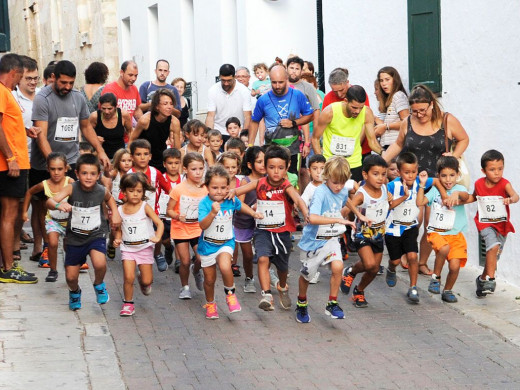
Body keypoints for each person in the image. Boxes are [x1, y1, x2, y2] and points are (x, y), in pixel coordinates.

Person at [384, 84, 470, 275]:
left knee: (431, 224)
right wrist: (381, 162)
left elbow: (464, 139)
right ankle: (410, 254)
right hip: (412, 180)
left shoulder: (446, 120)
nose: (419, 114)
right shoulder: (407, 122)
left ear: (431, 104)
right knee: (414, 219)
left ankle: (421, 262)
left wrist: (454, 156)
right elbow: (398, 144)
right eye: (415, 111)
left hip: (438, 181)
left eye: (422, 110)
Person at [229, 145, 309, 311]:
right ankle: (266, 294)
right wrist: (228, 193)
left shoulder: (286, 185)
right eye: (271, 167)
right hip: (263, 230)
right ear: (265, 167)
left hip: (282, 232)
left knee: (282, 268)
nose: (276, 172)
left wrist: (305, 211)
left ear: (287, 167)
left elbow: (298, 198)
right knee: (263, 259)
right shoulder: (259, 182)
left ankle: (282, 286)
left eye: (280, 168)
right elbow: (238, 190)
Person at [46, 153, 121, 310]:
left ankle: (99, 284)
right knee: (71, 277)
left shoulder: (101, 190)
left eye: (93, 174)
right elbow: (50, 201)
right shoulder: (71, 188)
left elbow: (110, 199)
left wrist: (115, 213)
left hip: (96, 233)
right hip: (74, 238)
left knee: (100, 263)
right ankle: (75, 292)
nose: (88, 177)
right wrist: (59, 205)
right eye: (84, 173)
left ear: (98, 175)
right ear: (77, 173)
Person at [296, 157, 356, 323]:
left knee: (338, 266)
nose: (339, 187)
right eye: (335, 182)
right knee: (307, 275)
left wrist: (358, 214)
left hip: (330, 237)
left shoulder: (342, 189)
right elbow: (313, 218)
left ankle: (332, 303)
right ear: (327, 176)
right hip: (313, 240)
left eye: (342, 183)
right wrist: (338, 220)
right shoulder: (320, 192)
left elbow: (346, 199)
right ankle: (301, 302)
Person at [198, 165, 262, 319]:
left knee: (226, 266)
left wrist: (254, 213)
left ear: (228, 187)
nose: (219, 191)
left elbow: (241, 206)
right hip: (208, 245)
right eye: (214, 187)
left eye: (223, 187)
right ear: (207, 187)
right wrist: (213, 213)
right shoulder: (205, 204)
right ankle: (211, 304)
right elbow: (202, 225)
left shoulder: (230, 199)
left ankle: (230, 295)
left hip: (226, 243)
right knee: (209, 280)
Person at [0, 53, 38, 284]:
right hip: (9, 166)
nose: (20, 81)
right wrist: (11, 157)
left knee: (9, 214)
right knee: (9, 215)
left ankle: (7, 264)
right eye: (21, 77)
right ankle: (8, 267)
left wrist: (25, 132)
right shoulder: (2, 91)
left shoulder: (6, 93)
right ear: (13, 72)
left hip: (14, 162)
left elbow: (8, 126)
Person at [340, 155, 394, 308]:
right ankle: (351, 271)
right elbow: (346, 207)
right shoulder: (362, 194)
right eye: (375, 174)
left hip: (378, 234)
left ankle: (358, 289)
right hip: (362, 234)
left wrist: (390, 200)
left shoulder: (384, 188)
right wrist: (337, 221)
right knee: (369, 264)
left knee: (374, 268)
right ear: (365, 175)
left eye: (383, 174)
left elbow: (386, 205)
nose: (380, 178)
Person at [463, 150, 518, 297]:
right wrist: (459, 200)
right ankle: (490, 280)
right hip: (485, 223)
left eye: (500, 169)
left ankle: (482, 279)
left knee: (493, 255)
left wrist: (510, 199)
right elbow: (474, 197)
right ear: (483, 171)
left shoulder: (505, 184)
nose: (497, 173)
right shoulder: (479, 184)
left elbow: (515, 195)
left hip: (502, 226)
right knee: (492, 247)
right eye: (492, 169)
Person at [416, 156, 469, 303]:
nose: (448, 180)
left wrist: (456, 194)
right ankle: (436, 278)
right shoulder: (434, 191)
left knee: (455, 265)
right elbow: (420, 202)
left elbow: (466, 196)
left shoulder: (460, 189)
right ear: (438, 176)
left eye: (452, 175)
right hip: (436, 232)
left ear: (458, 175)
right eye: (444, 176)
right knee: (444, 249)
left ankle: (447, 290)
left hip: (456, 235)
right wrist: (421, 185)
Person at [384, 152, 433, 303]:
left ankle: (413, 287)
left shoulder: (421, 181)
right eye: (406, 172)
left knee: (412, 256)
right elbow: (389, 204)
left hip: (410, 226)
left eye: (413, 172)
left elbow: (438, 182)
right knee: (396, 260)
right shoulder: (392, 186)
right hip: (393, 228)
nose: (411, 176)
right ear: (399, 172)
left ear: (417, 170)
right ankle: (391, 269)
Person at [113, 172, 164, 316]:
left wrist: (157, 236)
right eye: (131, 191)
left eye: (139, 191)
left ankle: (143, 281)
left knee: (148, 280)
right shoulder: (120, 210)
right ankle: (128, 303)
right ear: (123, 192)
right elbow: (118, 229)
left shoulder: (144, 206)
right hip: (127, 248)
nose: (135, 194)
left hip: (145, 247)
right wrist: (117, 239)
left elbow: (159, 223)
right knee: (128, 277)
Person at [248, 65, 314, 175]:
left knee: (293, 180)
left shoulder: (297, 95)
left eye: (281, 82)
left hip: (292, 149)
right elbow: (254, 121)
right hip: (271, 150)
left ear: (286, 79)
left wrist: (293, 123)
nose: (277, 86)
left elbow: (310, 115)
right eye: (274, 82)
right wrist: (250, 145)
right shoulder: (263, 99)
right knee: (272, 180)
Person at [22, 153, 75, 281]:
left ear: (66, 168)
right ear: (47, 169)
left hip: (70, 221)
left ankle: (71, 267)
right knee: (52, 243)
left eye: (60, 169)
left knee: (69, 246)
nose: (56, 172)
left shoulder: (71, 182)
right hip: (52, 220)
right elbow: (29, 192)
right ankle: (53, 269)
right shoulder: (44, 184)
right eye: (52, 169)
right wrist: (24, 211)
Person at [313, 85, 383, 182]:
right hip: (332, 163)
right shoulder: (329, 112)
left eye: (360, 108)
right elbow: (315, 138)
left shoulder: (367, 113)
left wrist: (383, 153)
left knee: (354, 195)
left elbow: (372, 141)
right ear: (346, 101)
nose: (357, 111)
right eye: (354, 107)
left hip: (354, 163)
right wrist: (322, 163)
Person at [12, 56, 43, 263]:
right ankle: (14, 243)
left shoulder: (42, 96)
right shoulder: (13, 98)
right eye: (29, 79)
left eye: (35, 78)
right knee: (18, 204)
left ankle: (37, 243)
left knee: (38, 204)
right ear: (20, 78)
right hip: (21, 158)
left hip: (40, 159)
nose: (33, 82)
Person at [124, 139, 171, 270]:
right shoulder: (128, 174)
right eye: (138, 154)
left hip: (153, 211)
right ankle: (137, 258)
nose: (142, 157)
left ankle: (157, 253)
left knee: (157, 234)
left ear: (150, 156)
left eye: (145, 154)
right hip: (134, 213)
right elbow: (122, 196)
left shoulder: (156, 172)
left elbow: (169, 189)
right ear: (132, 157)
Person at [167, 153, 207, 299]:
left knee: (202, 258)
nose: (198, 172)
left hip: (198, 228)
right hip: (181, 229)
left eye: (201, 169)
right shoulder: (178, 189)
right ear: (185, 169)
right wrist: (177, 216)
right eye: (194, 169)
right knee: (184, 261)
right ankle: (185, 288)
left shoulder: (206, 188)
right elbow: (169, 210)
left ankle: (196, 271)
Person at [233, 146, 265, 293]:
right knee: (247, 254)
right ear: (250, 164)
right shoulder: (246, 181)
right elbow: (239, 204)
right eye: (259, 161)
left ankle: (268, 273)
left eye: (265, 161)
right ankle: (249, 277)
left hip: (262, 222)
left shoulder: (270, 179)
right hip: (244, 222)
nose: (263, 165)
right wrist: (252, 208)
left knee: (265, 252)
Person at [322, 68, 372, 159]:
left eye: (341, 90)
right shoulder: (328, 98)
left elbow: (364, 122)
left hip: (360, 149)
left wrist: (354, 146)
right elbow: (324, 126)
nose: (339, 94)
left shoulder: (358, 94)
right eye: (335, 91)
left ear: (347, 82)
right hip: (335, 153)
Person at [130, 88, 181, 171]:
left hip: (161, 157)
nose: (169, 107)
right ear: (157, 106)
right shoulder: (145, 120)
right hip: (143, 157)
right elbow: (132, 139)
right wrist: (131, 159)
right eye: (165, 104)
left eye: (171, 104)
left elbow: (177, 149)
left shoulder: (174, 122)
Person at [205, 64, 252, 143]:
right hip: (219, 132)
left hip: (238, 132)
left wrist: (244, 134)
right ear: (219, 77)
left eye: (229, 80)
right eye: (223, 80)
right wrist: (209, 136)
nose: (226, 83)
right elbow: (210, 116)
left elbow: (248, 116)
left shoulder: (244, 91)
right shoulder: (212, 90)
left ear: (234, 77)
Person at [101, 60, 143, 143]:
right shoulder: (110, 90)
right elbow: (105, 114)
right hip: (113, 139)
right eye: (130, 75)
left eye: (136, 75)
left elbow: (137, 110)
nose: (133, 78)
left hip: (129, 138)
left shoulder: (134, 89)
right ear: (121, 72)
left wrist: (143, 125)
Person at [157, 148, 182, 269]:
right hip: (163, 215)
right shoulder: (161, 178)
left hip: (178, 215)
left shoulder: (184, 179)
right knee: (165, 240)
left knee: (178, 238)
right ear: (164, 164)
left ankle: (178, 261)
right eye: (170, 163)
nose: (173, 166)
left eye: (176, 163)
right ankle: (168, 248)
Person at [374, 67, 409, 150]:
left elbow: (407, 122)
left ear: (395, 80)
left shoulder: (398, 96)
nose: (383, 83)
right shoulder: (391, 99)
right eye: (381, 80)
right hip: (390, 145)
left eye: (387, 79)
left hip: (396, 145)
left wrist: (386, 126)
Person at [89, 92, 133, 159]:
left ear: (115, 107)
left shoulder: (123, 115)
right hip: (101, 155)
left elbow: (130, 132)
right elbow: (86, 133)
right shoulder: (95, 117)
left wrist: (129, 149)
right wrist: (95, 139)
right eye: (103, 108)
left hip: (119, 157)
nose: (106, 112)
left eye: (110, 109)